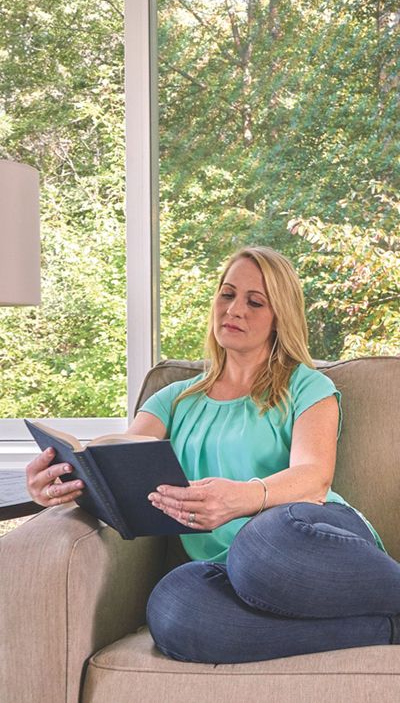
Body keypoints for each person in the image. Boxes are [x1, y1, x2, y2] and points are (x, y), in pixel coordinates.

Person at [26, 246, 400, 663]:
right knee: (174, 607)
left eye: (255, 302)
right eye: (227, 294)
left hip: (306, 536)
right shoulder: (172, 399)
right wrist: (63, 482)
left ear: (280, 318)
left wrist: (241, 498)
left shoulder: (306, 385)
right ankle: (387, 629)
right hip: (227, 570)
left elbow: (314, 477)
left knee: (258, 546)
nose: (235, 309)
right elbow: (119, 468)